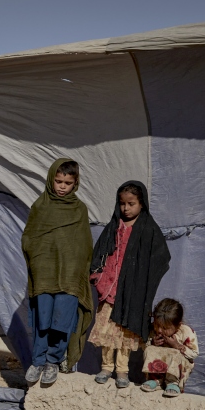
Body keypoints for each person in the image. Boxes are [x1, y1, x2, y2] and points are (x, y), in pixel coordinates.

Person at [89, 181, 170, 388]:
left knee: (125, 331)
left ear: (141, 203)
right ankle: (106, 367)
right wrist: (98, 277)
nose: (126, 208)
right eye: (122, 203)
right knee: (107, 329)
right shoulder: (114, 226)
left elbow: (161, 258)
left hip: (131, 292)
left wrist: (143, 281)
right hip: (110, 288)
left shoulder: (148, 229)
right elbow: (99, 253)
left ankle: (122, 371)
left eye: (131, 203)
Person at [21, 158, 94, 386]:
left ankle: (54, 360)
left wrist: (75, 268)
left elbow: (83, 245)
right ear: (51, 178)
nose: (62, 186)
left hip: (70, 277)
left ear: (76, 183)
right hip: (44, 274)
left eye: (68, 183)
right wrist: (39, 261)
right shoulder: (40, 206)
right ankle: (38, 361)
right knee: (42, 319)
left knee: (62, 320)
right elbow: (30, 238)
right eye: (59, 181)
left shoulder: (79, 209)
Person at [141, 299, 198, 397]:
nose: (159, 330)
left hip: (179, 368)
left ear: (177, 325)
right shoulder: (153, 330)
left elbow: (194, 353)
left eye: (165, 328)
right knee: (149, 349)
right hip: (158, 371)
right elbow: (143, 347)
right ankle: (156, 380)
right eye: (157, 325)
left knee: (175, 353)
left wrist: (178, 346)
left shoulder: (186, 331)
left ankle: (172, 383)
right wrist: (152, 342)